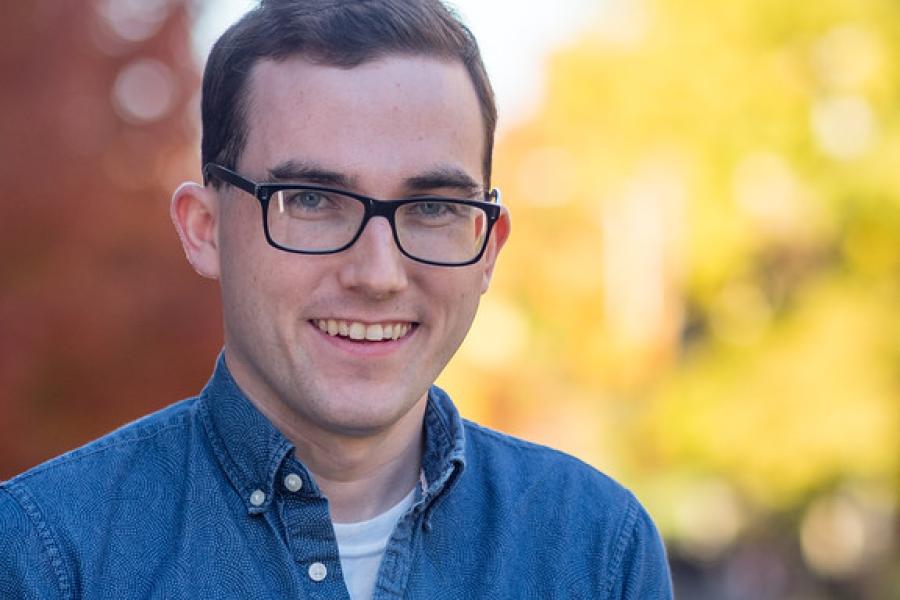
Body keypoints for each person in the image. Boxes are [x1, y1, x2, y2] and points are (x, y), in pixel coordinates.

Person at [0, 0, 673, 597]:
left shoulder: (596, 552)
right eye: (312, 201)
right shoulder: (46, 559)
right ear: (204, 231)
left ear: (489, 246)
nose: (378, 273)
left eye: (432, 206)